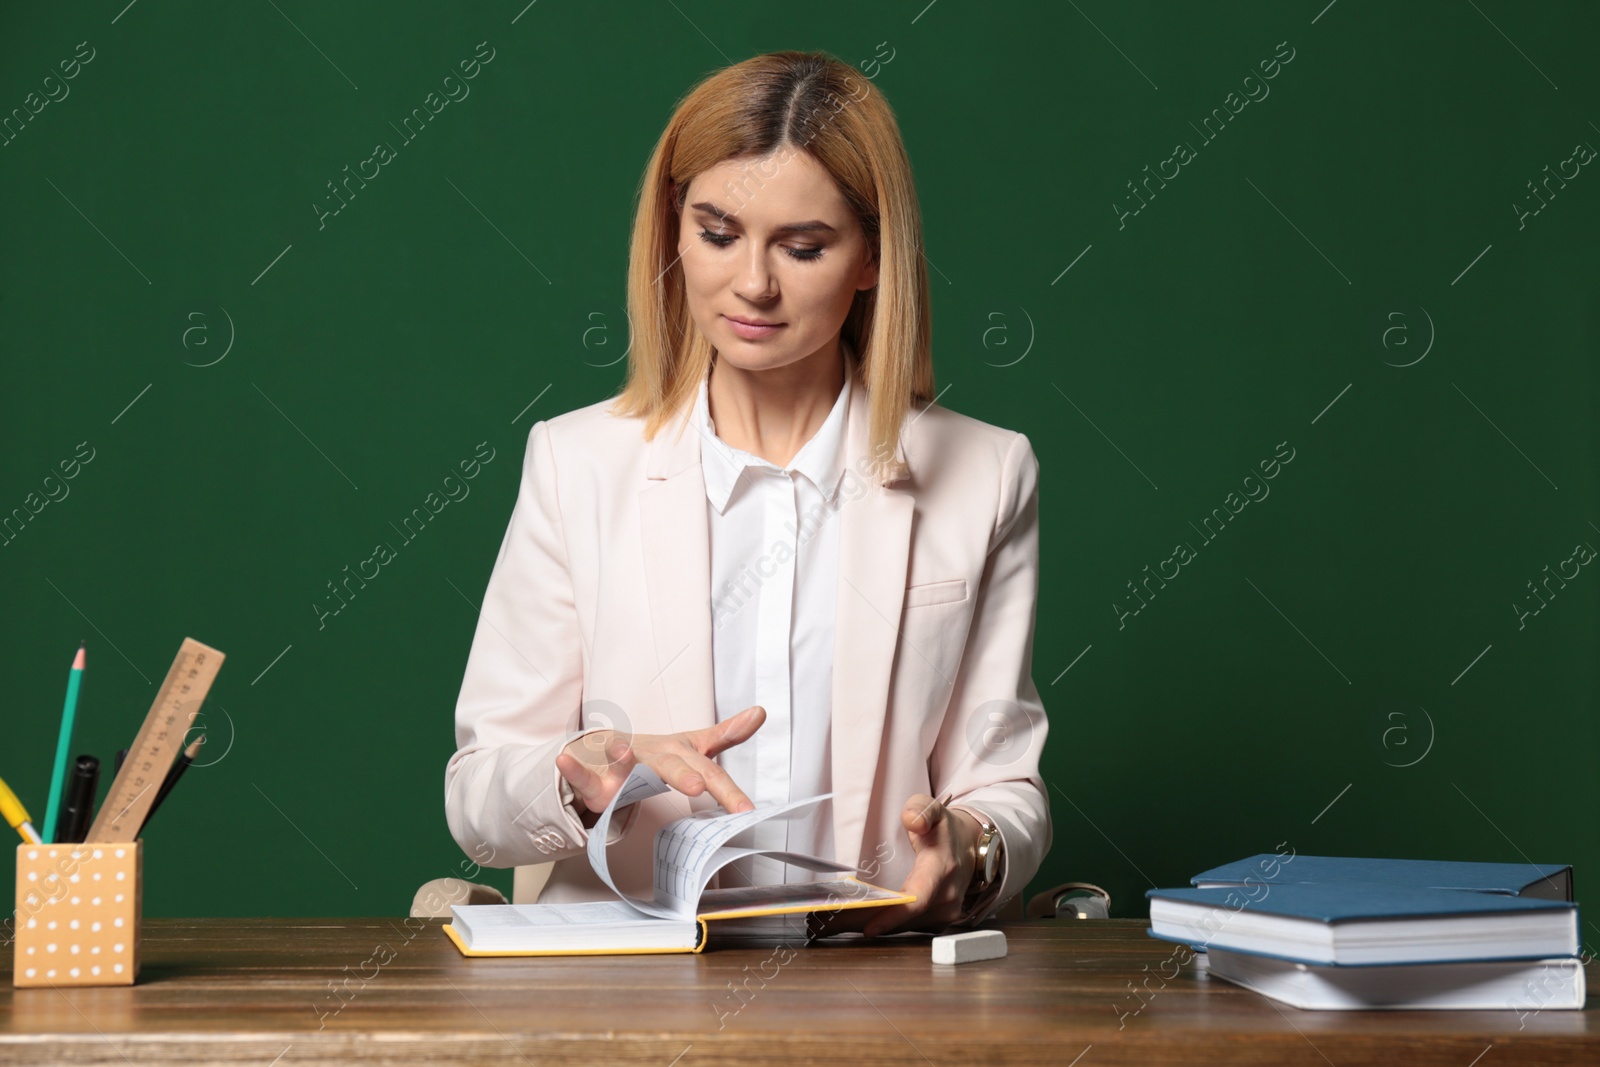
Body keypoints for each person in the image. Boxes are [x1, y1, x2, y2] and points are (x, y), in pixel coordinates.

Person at [445, 50, 1049, 935]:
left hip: (875, 990)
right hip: (632, 997)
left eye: (803, 247)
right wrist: (577, 771)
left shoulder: (987, 472)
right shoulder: (575, 462)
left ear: (873, 257)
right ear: (673, 232)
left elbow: (1006, 784)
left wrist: (976, 843)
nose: (754, 283)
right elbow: (476, 795)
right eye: (718, 233)